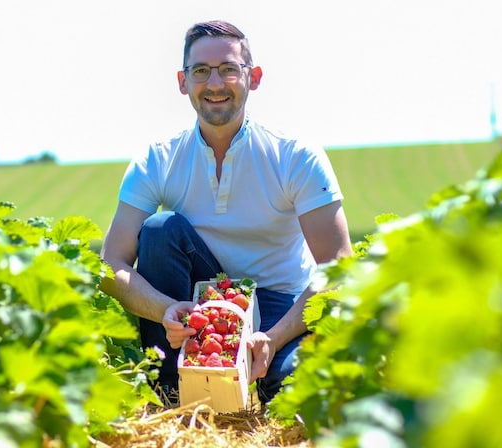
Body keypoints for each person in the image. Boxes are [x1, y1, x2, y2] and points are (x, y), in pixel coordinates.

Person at [99, 20, 353, 405]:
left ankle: (268, 376)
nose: (215, 84)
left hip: (276, 303)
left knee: (290, 391)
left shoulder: (296, 156)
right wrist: (167, 309)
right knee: (161, 228)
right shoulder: (157, 159)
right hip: (195, 305)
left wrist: (273, 337)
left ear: (254, 77)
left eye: (229, 69)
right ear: (183, 82)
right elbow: (112, 263)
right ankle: (171, 386)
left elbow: (338, 265)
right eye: (201, 71)